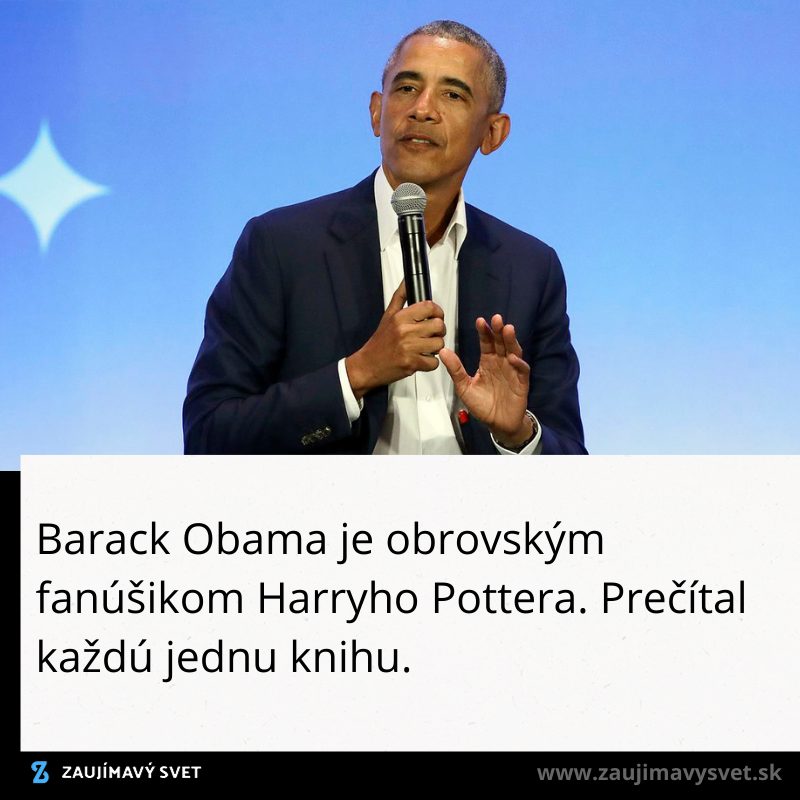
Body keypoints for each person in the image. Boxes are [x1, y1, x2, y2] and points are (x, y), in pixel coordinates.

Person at [183, 20, 586, 455]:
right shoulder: (280, 246)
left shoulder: (531, 268)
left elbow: (571, 457)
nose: (423, 109)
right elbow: (209, 435)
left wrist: (519, 435)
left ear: (493, 133)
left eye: (452, 95)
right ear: (377, 112)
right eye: (407, 88)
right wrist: (356, 374)